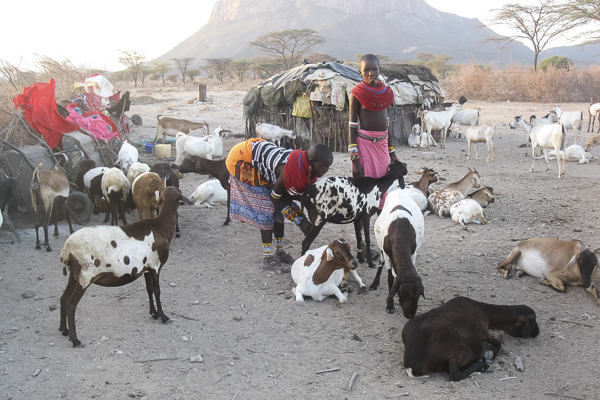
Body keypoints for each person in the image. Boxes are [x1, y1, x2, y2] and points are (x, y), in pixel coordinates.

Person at [225, 138, 333, 272]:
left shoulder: (303, 168)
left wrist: (304, 219)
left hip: (261, 158)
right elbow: (276, 198)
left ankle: (280, 252)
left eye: (328, 167)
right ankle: (268, 258)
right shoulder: (288, 171)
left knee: (279, 211)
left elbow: (288, 197)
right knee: (267, 208)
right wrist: (300, 221)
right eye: (323, 167)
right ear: (310, 164)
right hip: (242, 159)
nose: (326, 170)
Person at [348, 54, 399, 181]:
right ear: (361, 73)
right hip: (366, 146)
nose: (371, 73)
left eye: (374, 69)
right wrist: (355, 159)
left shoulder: (385, 93)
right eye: (366, 70)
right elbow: (352, 126)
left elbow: (387, 124)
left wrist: (392, 152)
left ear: (379, 69)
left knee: (383, 184)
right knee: (366, 185)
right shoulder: (357, 94)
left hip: (382, 145)